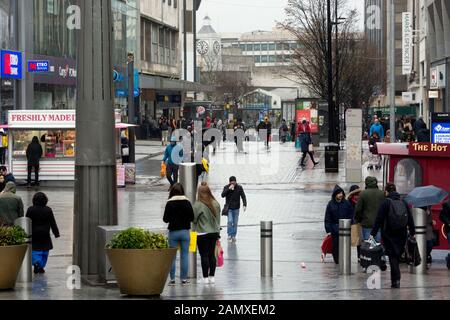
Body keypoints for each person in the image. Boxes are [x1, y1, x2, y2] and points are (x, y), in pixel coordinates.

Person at [370, 183, 415, 288]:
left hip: (389, 233)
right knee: (397, 256)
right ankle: (396, 279)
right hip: (402, 233)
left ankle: (396, 280)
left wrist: (373, 233)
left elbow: (379, 219)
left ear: (386, 192)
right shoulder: (403, 202)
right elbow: (410, 218)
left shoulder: (385, 203)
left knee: (392, 257)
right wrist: (412, 232)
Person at [163, 183, 194, 286]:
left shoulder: (169, 203)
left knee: (172, 257)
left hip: (173, 232)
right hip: (185, 232)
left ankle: (172, 280)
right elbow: (192, 218)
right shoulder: (187, 202)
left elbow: (165, 219)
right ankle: (184, 280)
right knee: (184, 256)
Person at [193, 182, 221, 285]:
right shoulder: (216, 203)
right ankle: (212, 277)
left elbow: (194, 219)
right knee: (211, 255)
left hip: (202, 233)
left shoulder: (198, 204)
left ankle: (205, 278)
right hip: (214, 232)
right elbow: (218, 219)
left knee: (204, 255)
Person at [26, 192, 60, 274]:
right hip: (45, 234)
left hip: (34, 233)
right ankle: (41, 266)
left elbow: (26, 221)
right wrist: (56, 233)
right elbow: (53, 222)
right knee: (45, 251)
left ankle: (36, 262)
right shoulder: (48, 210)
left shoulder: (30, 209)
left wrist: (25, 233)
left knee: (35, 250)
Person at [324, 185, 354, 264]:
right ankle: (337, 260)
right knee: (335, 245)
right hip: (335, 228)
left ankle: (344, 259)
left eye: (341, 193)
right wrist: (328, 230)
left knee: (345, 245)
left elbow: (351, 215)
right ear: (335, 195)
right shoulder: (330, 204)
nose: (340, 195)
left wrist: (351, 223)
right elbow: (327, 218)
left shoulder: (347, 203)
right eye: (339, 193)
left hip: (345, 227)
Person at [354, 177, 385, 243]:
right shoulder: (382, 193)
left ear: (366, 183)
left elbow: (358, 209)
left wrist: (358, 219)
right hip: (379, 224)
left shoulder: (363, 194)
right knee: (377, 245)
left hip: (367, 224)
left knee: (368, 245)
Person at [222, 176, 247, 243]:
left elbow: (243, 196)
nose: (233, 183)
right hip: (229, 208)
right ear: (229, 182)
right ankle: (229, 235)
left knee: (235, 222)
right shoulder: (226, 187)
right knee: (230, 221)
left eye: (234, 182)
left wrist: (244, 204)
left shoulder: (239, 187)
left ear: (236, 182)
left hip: (236, 208)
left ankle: (233, 235)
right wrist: (228, 189)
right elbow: (222, 195)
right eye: (231, 182)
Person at [348, 185, 362, 260]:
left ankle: (359, 256)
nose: (357, 196)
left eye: (358, 194)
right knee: (348, 240)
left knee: (359, 241)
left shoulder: (361, 202)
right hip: (350, 224)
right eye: (356, 194)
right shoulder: (348, 203)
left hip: (358, 223)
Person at [439, 200, 450, 269]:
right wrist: (449, 223)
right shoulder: (447, 204)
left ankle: (448, 258)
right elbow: (442, 216)